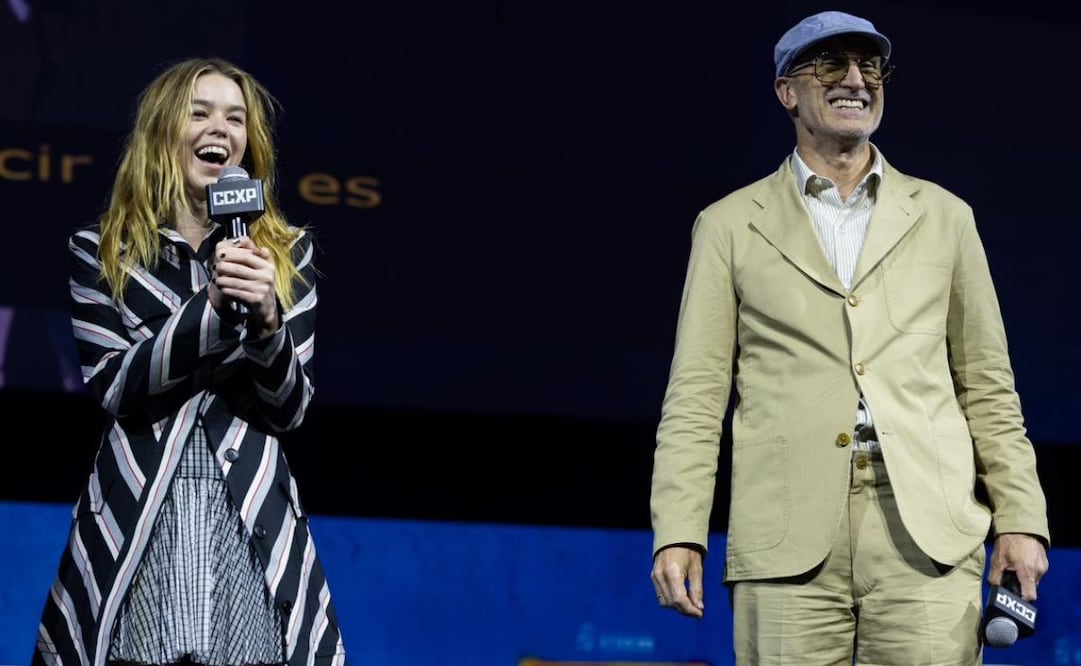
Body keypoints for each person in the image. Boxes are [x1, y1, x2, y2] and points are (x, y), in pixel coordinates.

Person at [648, 10, 1049, 665]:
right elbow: (695, 393)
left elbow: (986, 385)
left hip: (925, 529)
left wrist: (1020, 519)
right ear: (787, 91)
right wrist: (678, 531)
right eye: (830, 65)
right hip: (785, 532)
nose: (856, 81)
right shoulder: (726, 225)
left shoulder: (945, 217)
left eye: (869, 67)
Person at [33, 57, 348, 666]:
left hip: (247, 519)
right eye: (199, 113)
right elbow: (116, 387)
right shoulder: (101, 252)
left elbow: (289, 408)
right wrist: (211, 307)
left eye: (236, 119)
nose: (221, 129)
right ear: (163, 132)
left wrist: (265, 320)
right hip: (139, 517)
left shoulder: (285, 254)